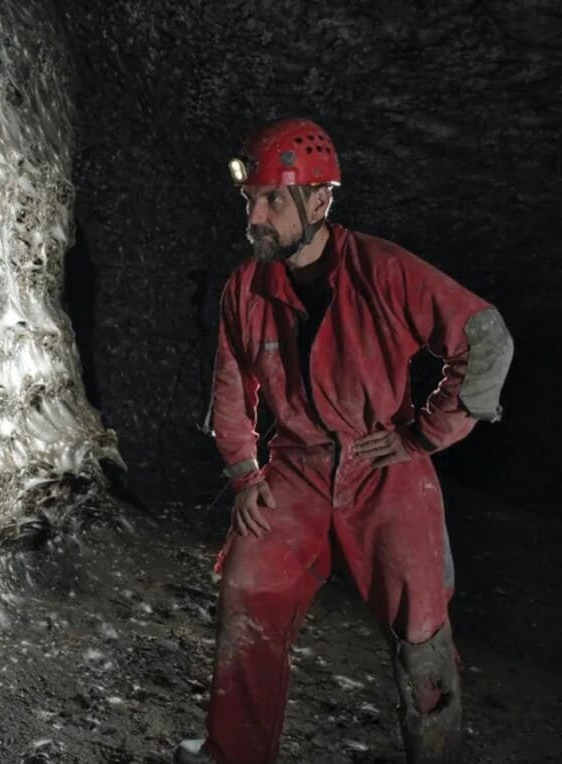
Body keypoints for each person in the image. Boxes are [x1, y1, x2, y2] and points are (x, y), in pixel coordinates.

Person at [174, 118, 514, 764]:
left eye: (273, 201)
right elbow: (231, 384)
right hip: (296, 464)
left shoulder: (382, 270)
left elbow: (484, 337)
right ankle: (234, 753)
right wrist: (244, 473)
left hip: (382, 463)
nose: (256, 217)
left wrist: (426, 434)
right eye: (251, 201)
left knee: (422, 625)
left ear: (319, 202)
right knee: (249, 583)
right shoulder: (247, 287)